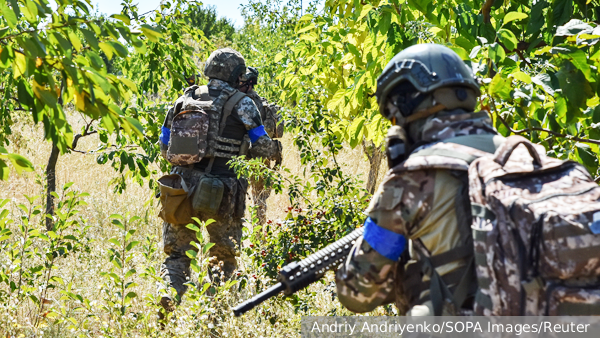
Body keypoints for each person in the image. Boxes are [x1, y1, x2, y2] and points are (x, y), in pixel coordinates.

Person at [335, 43, 505, 316]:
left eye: (393, 117)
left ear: (407, 106)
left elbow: (358, 293)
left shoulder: (413, 178)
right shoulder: (529, 156)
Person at [157, 48, 281, 315]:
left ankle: (168, 296)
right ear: (236, 74)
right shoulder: (243, 103)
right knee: (224, 258)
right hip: (223, 191)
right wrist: (274, 149)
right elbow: (262, 146)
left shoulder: (183, 99)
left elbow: (164, 147)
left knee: (177, 256)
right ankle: (215, 318)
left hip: (181, 190)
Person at [238, 67, 284, 225]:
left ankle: (245, 236)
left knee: (237, 197)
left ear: (249, 83)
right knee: (260, 199)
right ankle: (258, 237)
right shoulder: (263, 104)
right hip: (261, 158)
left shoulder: (240, 102)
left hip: (240, 158)